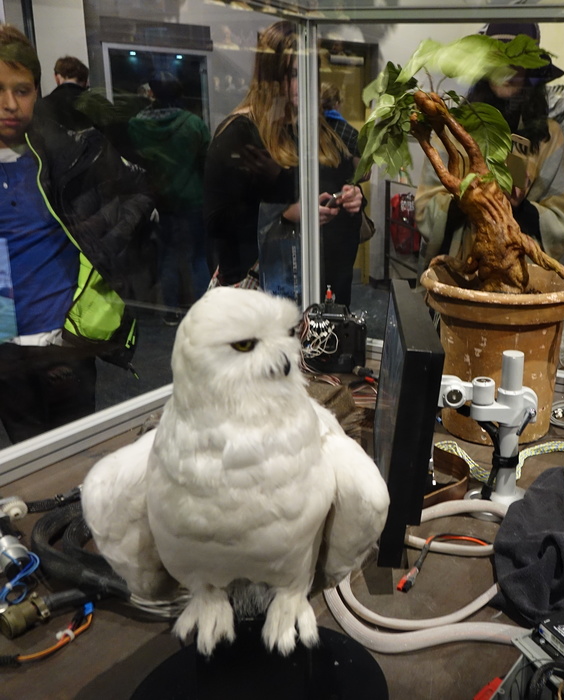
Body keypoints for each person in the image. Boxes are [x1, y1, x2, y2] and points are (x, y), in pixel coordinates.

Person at [0, 25, 155, 443]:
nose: (9, 104)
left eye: (22, 90)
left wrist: (104, 242)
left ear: (38, 90)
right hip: (5, 349)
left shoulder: (67, 151)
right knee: (28, 461)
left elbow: (139, 191)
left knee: (76, 456)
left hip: (65, 340)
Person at [202, 20, 363, 303]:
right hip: (263, 297)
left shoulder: (320, 128)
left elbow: (333, 186)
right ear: (270, 76)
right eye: (292, 74)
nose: (302, 84)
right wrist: (284, 214)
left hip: (320, 290)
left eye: (308, 72)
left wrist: (350, 197)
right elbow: (217, 224)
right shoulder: (240, 132)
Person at [415, 22, 564, 269]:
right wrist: (468, 200)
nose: (506, 71)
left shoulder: (549, 137)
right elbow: (425, 208)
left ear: (529, 69)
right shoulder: (453, 128)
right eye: (498, 60)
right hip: (460, 270)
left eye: (516, 62)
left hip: (522, 273)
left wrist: (521, 208)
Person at [128, 72, 211, 322]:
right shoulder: (194, 124)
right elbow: (207, 163)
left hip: (158, 202)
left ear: (152, 93)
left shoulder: (136, 125)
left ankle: (170, 311)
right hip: (193, 200)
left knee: (166, 257)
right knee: (198, 258)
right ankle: (205, 314)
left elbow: (134, 164)